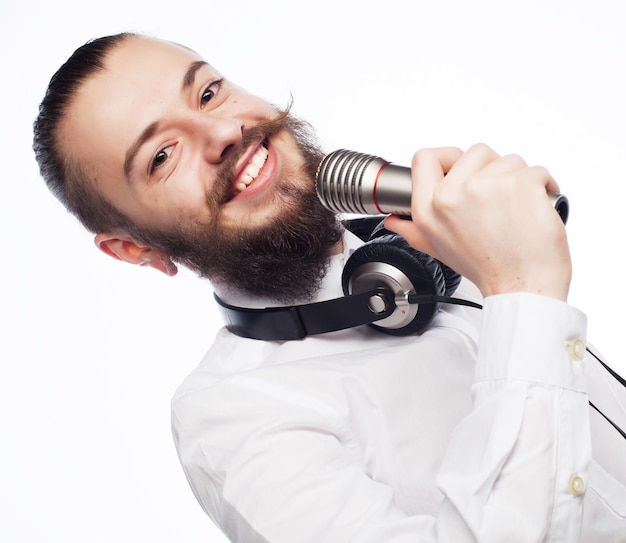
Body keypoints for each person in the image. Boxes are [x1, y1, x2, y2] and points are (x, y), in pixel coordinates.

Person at [33, 32, 626, 542]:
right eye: (163, 155)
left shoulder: (441, 248)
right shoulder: (232, 422)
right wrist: (523, 293)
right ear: (135, 248)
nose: (223, 131)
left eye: (208, 91)